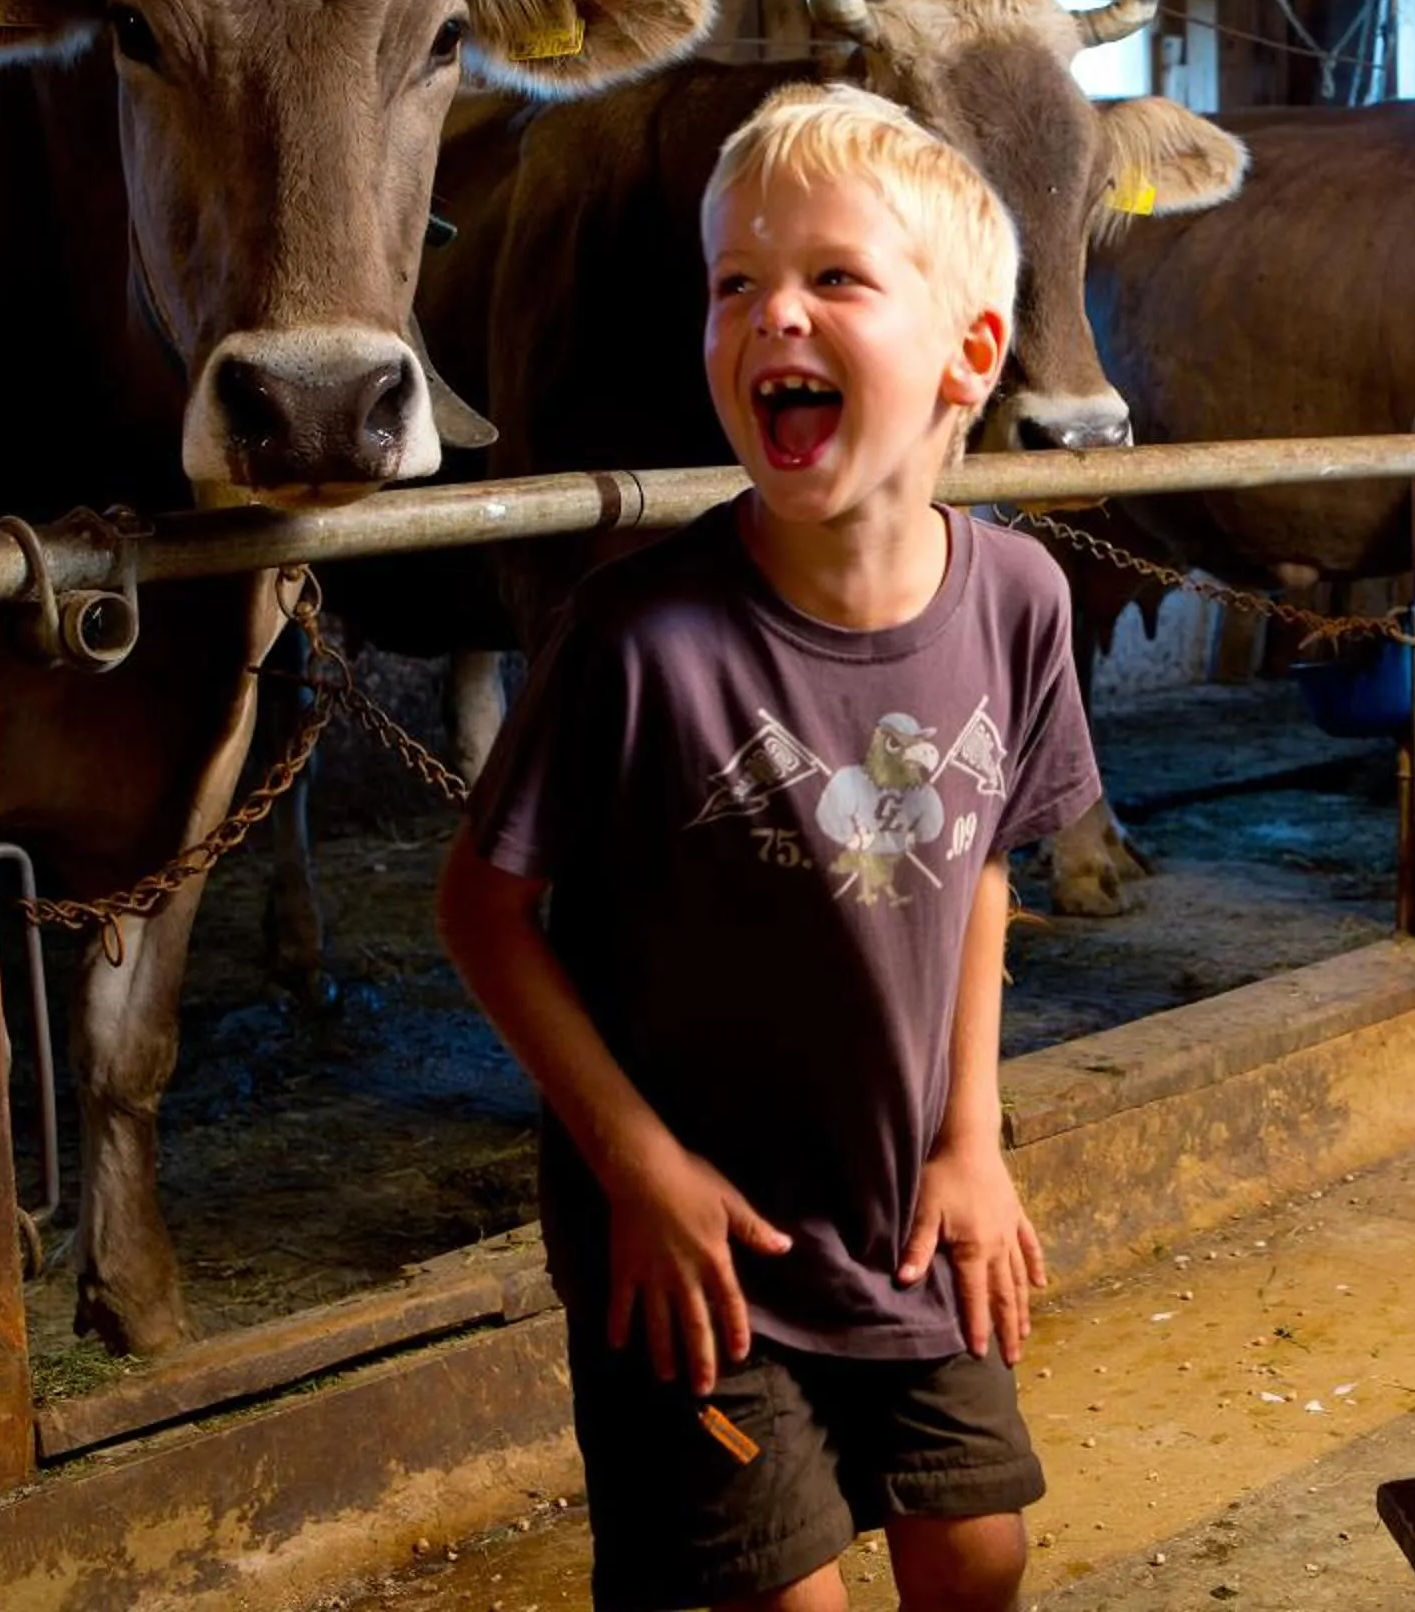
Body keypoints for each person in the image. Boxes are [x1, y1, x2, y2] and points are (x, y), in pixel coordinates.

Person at [437, 82, 1101, 1612]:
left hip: (903, 1215)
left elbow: (985, 861)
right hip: (696, 1250)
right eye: (735, 285)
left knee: (980, 1554)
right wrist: (636, 1165)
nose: (768, 316)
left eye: (832, 279)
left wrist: (973, 1140)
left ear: (968, 356)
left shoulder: (1018, 602)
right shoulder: (636, 634)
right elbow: (484, 912)